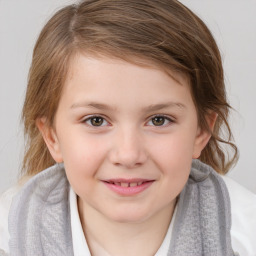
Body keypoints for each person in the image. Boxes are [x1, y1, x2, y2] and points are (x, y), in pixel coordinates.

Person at [0, 0, 255, 255]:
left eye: (159, 120)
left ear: (201, 132)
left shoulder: (247, 235)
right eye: (96, 120)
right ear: (52, 136)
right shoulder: (8, 237)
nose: (129, 154)